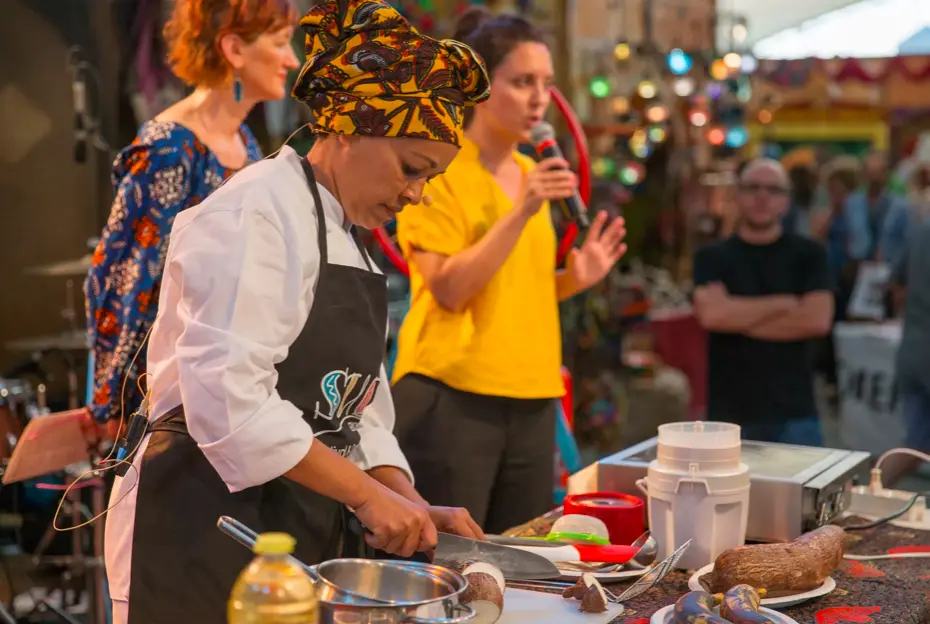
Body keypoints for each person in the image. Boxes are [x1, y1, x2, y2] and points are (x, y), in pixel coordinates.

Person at [104, 2, 491, 622]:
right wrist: (365, 496)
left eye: (431, 179)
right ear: (346, 129)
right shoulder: (253, 214)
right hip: (203, 525)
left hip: (297, 522)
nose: (416, 193)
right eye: (411, 168)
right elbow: (232, 401)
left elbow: (356, 408)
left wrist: (407, 503)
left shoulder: (349, 238)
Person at [390, 7, 627, 534]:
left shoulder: (531, 172)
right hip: (453, 392)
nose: (539, 98)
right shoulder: (438, 168)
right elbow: (450, 289)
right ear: (476, 85)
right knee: (450, 560)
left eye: (545, 83)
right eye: (521, 82)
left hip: (532, 392)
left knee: (519, 563)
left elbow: (514, 287)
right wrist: (521, 211)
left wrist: (574, 278)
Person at [85, 0, 300, 433]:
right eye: (280, 43)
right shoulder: (169, 149)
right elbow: (123, 282)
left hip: (229, 386)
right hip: (170, 398)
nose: (292, 59)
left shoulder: (245, 144)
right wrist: (114, 407)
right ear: (234, 49)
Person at [693, 159, 833, 446]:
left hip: (795, 411)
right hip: (730, 414)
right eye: (752, 188)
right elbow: (712, 318)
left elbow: (816, 320)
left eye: (773, 190)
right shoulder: (711, 257)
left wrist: (735, 315)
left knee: (802, 491)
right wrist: (784, 304)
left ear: (786, 201)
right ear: (737, 195)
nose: (762, 197)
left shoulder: (810, 255)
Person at [885, 223, 930, 486]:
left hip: (914, 348)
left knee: (917, 443)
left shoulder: (921, 231)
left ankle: (860, 499)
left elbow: (896, 287)